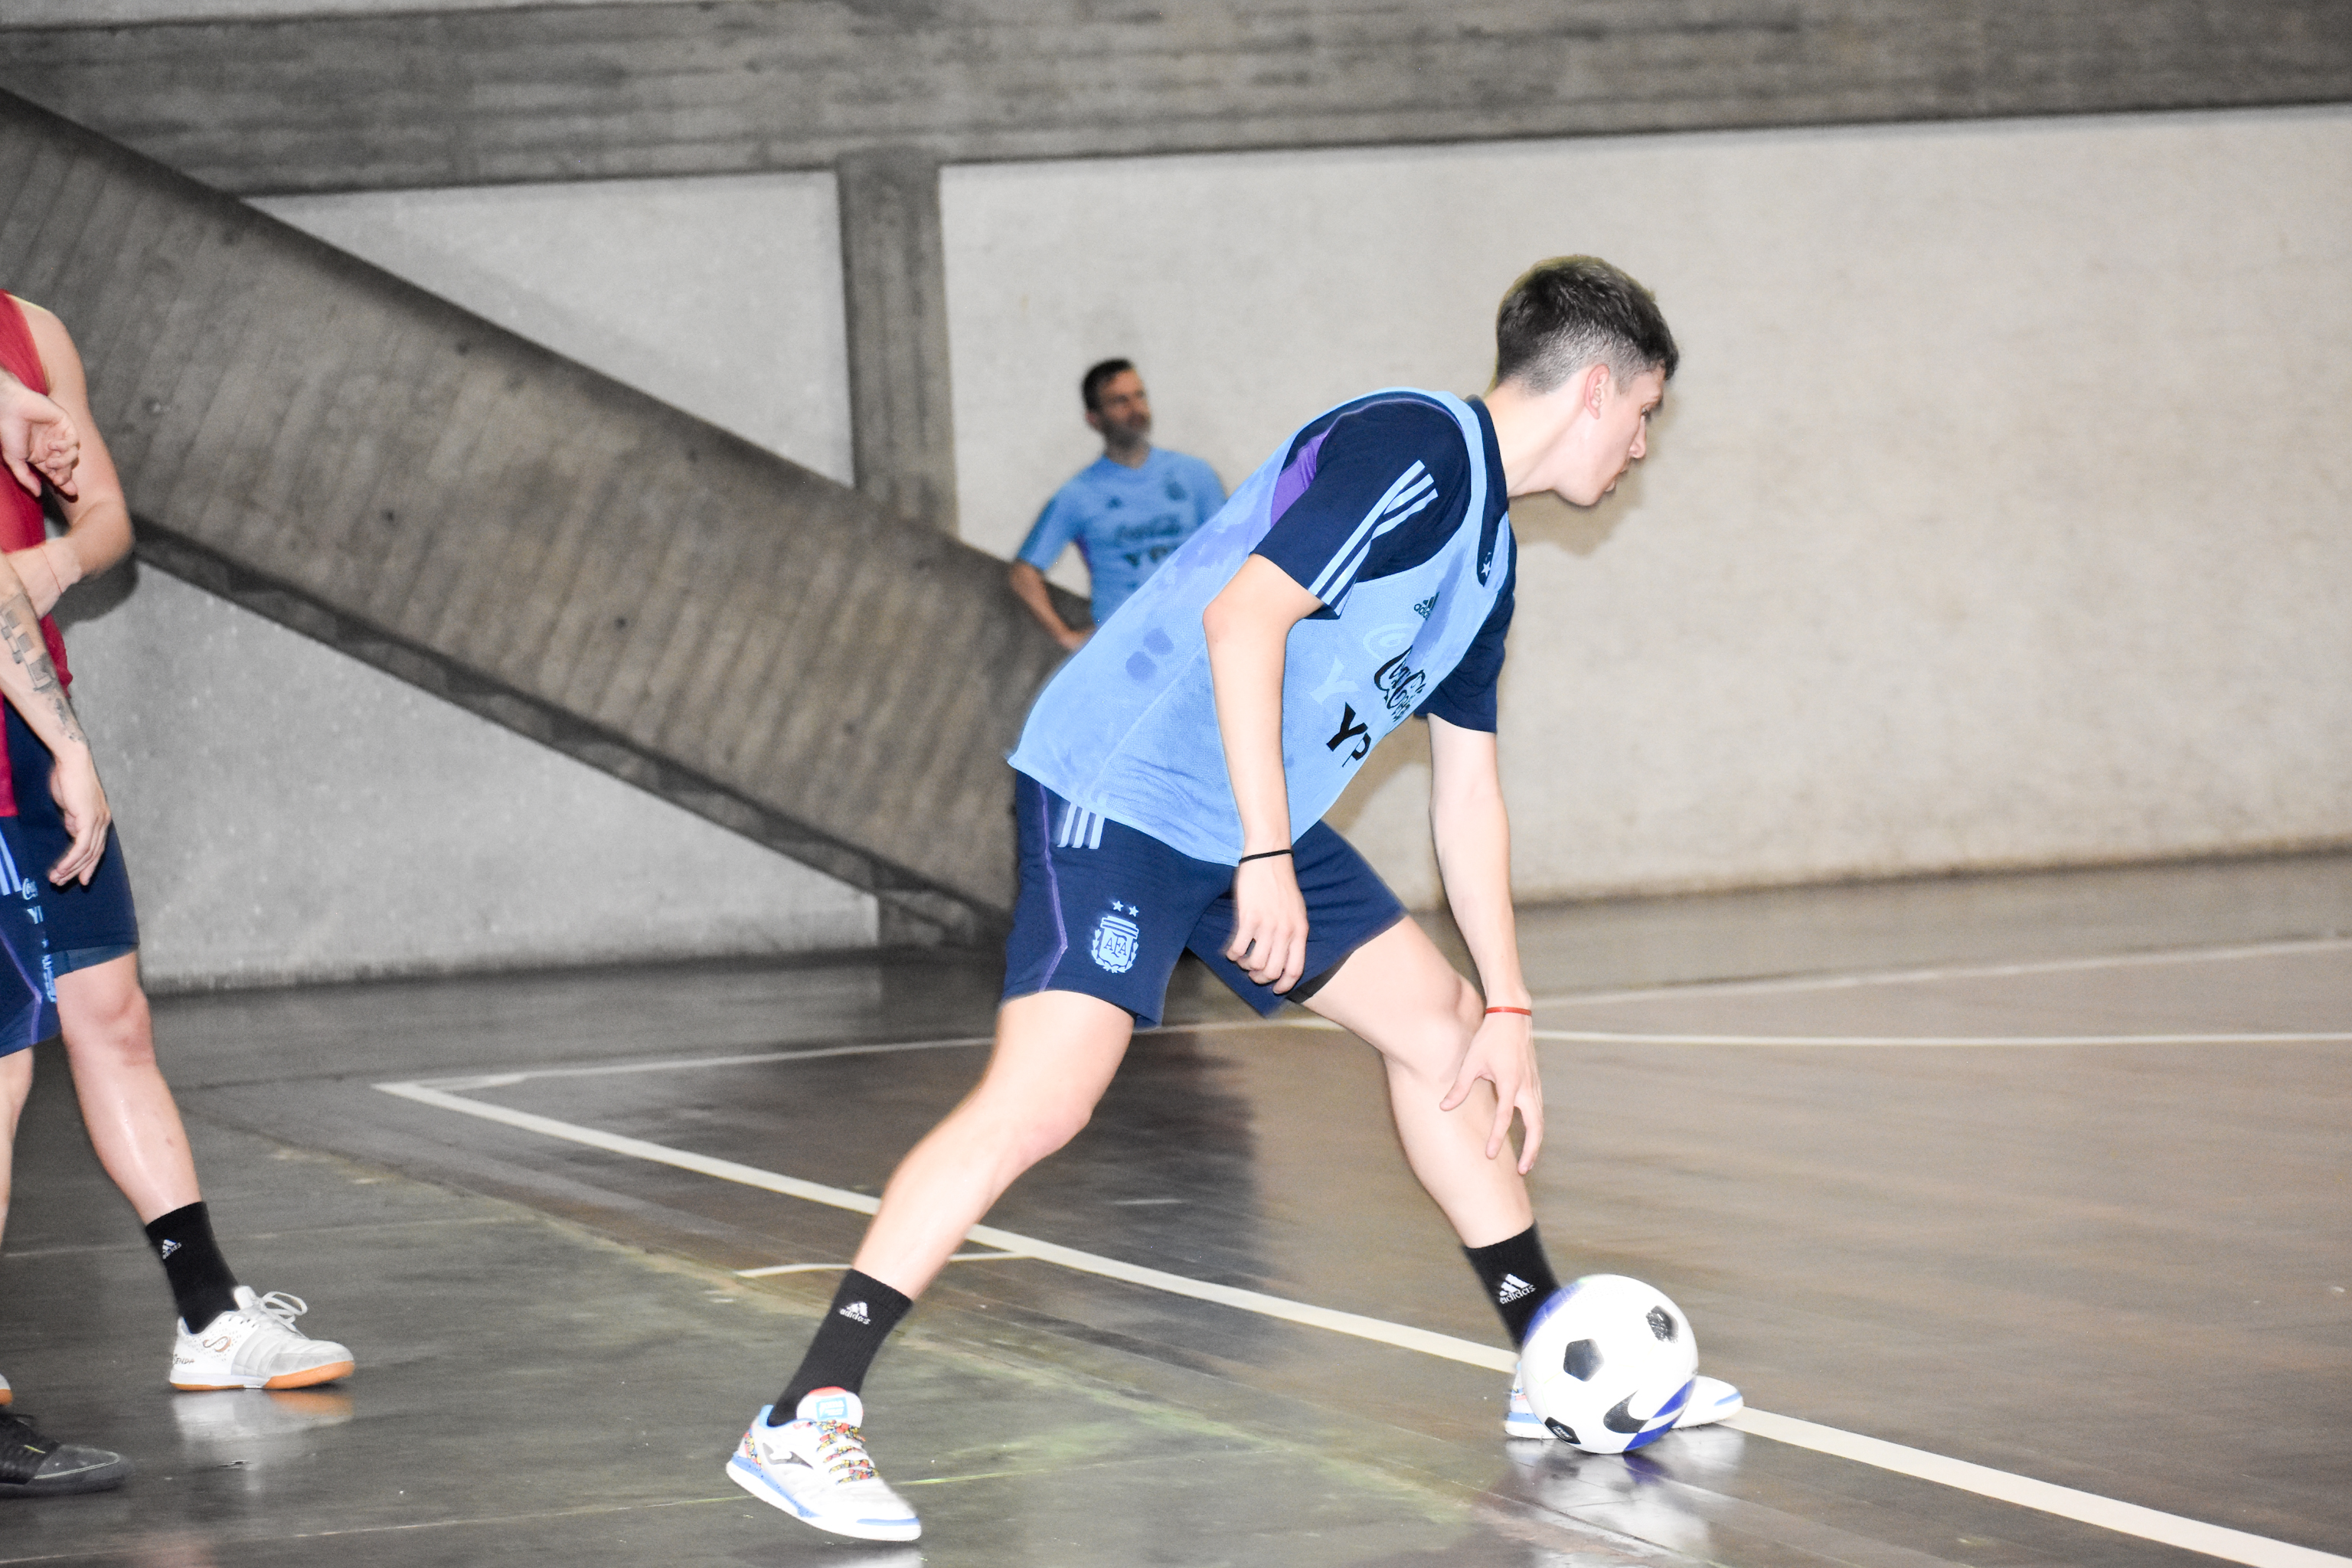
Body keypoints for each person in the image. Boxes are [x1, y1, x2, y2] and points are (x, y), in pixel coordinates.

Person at [728, 257, 1740, 1543]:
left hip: (1246, 816)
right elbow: (1243, 618)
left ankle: (1549, 1357)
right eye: (1645, 411)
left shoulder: (1488, 553)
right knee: (1045, 1097)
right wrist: (1265, 850)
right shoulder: (1410, 446)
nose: (1644, 444)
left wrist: (1512, 1002)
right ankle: (806, 1412)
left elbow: (1467, 793)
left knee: (1442, 1033)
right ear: (1594, 388)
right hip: (1128, 787)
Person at [0, 294, 352, 1430]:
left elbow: (102, 516)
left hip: (30, 714)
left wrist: (54, 568)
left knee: (112, 1014)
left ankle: (209, 1316)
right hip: (35, 730)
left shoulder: (33, 332)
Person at [1007, 359, 1226, 650]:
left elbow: (1233, 547)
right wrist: (1067, 637)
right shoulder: (1078, 495)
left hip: (1198, 641)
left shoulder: (1194, 474)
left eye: (1140, 396)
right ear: (1094, 418)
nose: (1136, 409)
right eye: (1120, 401)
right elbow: (1024, 574)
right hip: (1126, 653)